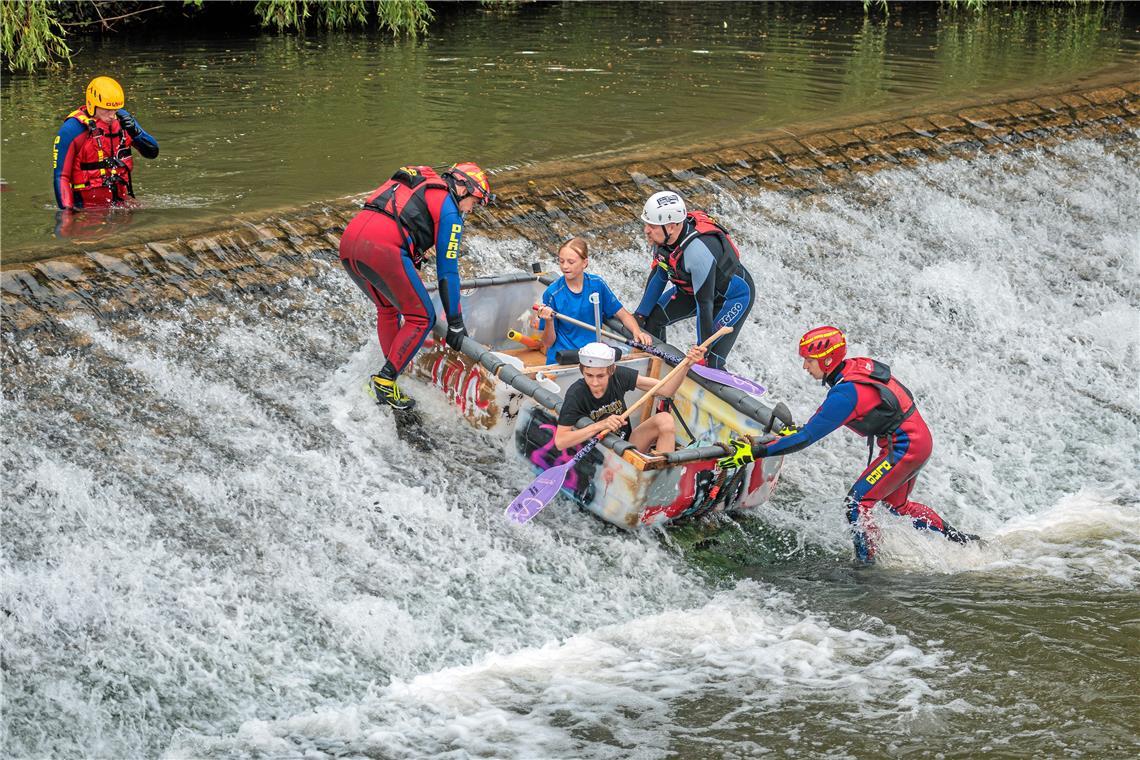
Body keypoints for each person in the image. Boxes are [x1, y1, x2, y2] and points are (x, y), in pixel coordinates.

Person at [718, 326, 979, 563]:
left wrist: (755, 451)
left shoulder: (846, 393)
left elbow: (807, 438)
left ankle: (867, 566)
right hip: (915, 441)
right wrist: (795, 433)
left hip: (905, 447)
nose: (805, 367)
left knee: (856, 504)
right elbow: (817, 425)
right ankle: (962, 541)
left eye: (809, 361)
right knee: (898, 506)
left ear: (828, 360)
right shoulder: (851, 370)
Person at [340, 162, 491, 411]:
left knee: (388, 309)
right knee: (421, 317)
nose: (471, 209)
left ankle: (390, 375)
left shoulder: (421, 183)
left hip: (349, 243)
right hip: (383, 248)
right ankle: (385, 381)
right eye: (474, 202)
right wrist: (455, 322)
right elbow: (448, 270)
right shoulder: (451, 210)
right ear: (463, 186)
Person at [632, 190, 755, 371]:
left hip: (731, 298)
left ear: (672, 226)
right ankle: (658, 370)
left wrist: (701, 349)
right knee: (652, 322)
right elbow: (660, 275)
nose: (646, 230)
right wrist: (639, 316)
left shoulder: (697, 252)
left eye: (652, 226)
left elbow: (705, 304)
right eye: (646, 224)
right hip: (694, 290)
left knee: (710, 360)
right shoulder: (664, 239)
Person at [554, 341, 706, 455]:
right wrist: (601, 425)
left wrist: (686, 365)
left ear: (612, 369)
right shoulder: (576, 394)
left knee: (665, 419)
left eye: (600, 376)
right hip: (599, 455)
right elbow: (561, 441)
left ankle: (658, 476)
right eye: (589, 375)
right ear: (582, 371)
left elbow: (666, 390)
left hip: (627, 445)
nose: (594, 382)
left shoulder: (619, 376)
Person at [533, 237, 653, 364]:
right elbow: (547, 342)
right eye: (561, 261)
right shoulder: (552, 293)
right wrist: (549, 321)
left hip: (593, 356)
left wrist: (637, 332)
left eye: (571, 262)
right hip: (564, 358)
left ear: (585, 263)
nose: (565, 266)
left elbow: (623, 314)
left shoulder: (597, 284)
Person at [53, 76, 159, 210]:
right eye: (106, 110)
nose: (112, 115)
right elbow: (61, 177)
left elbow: (152, 153)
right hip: (86, 209)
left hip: (122, 204)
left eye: (115, 110)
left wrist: (135, 132)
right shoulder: (72, 129)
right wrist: (67, 217)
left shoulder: (124, 120)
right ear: (92, 105)